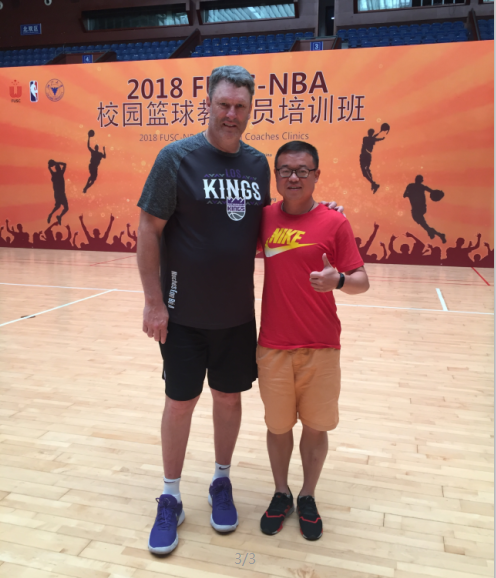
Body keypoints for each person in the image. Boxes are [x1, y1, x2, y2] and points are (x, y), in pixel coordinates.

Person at [136, 65, 343, 556]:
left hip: (236, 316)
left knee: (229, 400)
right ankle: (170, 496)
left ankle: (221, 481)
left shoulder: (255, 164)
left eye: (240, 106)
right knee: (180, 402)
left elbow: (275, 219)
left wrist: (321, 212)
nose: (231, 113)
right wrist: (153, 303)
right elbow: (148, 230)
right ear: (208, 103)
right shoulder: (175, 158)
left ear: (251, 110)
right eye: (224, 104)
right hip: (181, 314)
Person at [256, 141, 369, 541]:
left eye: (303, 170)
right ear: (276, 176)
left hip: (322, 345)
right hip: (273, 346)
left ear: (316, 175)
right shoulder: (263, 218)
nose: (294, 177)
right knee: (278, 427)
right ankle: (281, 492)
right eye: (285, 170)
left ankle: (307, 495)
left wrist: (338, 280)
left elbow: (361, 281)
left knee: (317, 428)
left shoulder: (335, 223)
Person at [403, 175, 446, 243]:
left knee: (422, 223)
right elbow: (431, 191)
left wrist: (410, 194)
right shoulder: (420, 186)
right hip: (421, 208)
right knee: (424, 224)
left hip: (417, 209)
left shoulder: (412, 186)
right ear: (421, 181)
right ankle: (434, 233)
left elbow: (405, 195)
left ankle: (436, 234)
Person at [360, 129, 385, 193]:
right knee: (367, 170)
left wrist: (378, 137)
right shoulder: (369, 139)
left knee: (365, 171)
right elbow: (372, 139)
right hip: (367, 156)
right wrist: (378, 137)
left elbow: (372, 139)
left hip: (364, 156)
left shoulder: (367, 138)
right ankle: (373, 184)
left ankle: (373, 184)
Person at [47, 160, 68, 225]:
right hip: (61, 193)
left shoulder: (54, 174)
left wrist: (53, 164)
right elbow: (65, 164)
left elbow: (49, 168)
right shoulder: (60, 173)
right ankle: (59, 216)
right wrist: (56, 162)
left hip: (56, 193)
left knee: (58, 206)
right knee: (66, 208)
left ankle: (51, 214)